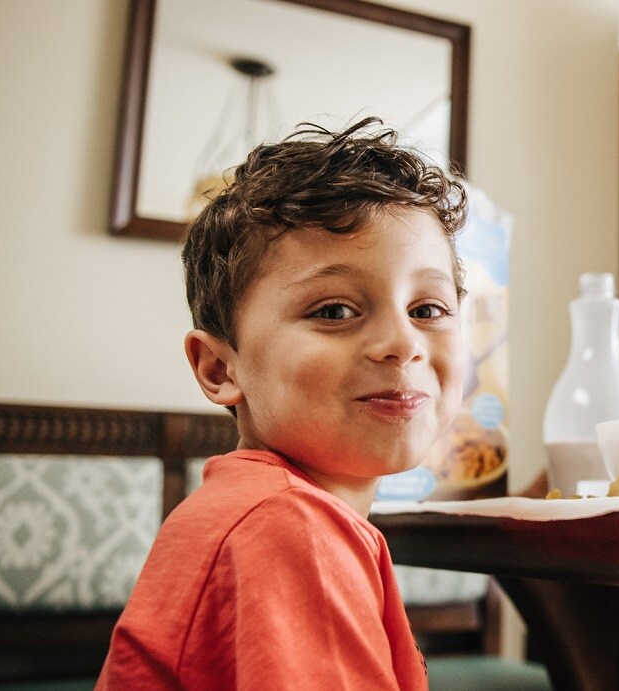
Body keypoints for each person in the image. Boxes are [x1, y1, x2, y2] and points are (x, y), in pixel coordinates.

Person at [97, 118, 466, 690]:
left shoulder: (263, 509)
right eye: (335, 311)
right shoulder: (287, 529)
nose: (403, 344)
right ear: (220, 368)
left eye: (428, 310)